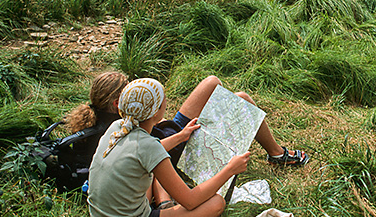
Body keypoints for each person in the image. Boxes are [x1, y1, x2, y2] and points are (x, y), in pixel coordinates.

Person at [88, 78, 247, 217]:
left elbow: (146, 152)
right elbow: (190, 201)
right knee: (216, 203)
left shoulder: (117, 127)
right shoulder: (149, 147)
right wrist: (230, 169)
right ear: (156, 112)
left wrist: (180, 136)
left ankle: (165, 205)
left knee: (152, 168)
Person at [66, 72, 309, 169]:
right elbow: (150, 153)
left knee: (212, 81)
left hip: (170, 129)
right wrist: (184, 135)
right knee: (243, 100)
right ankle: (277, 154)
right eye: (130, 88)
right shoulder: (119, 130)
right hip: (178, 146)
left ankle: (272, 150)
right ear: (117, 103)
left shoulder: (124, 115)